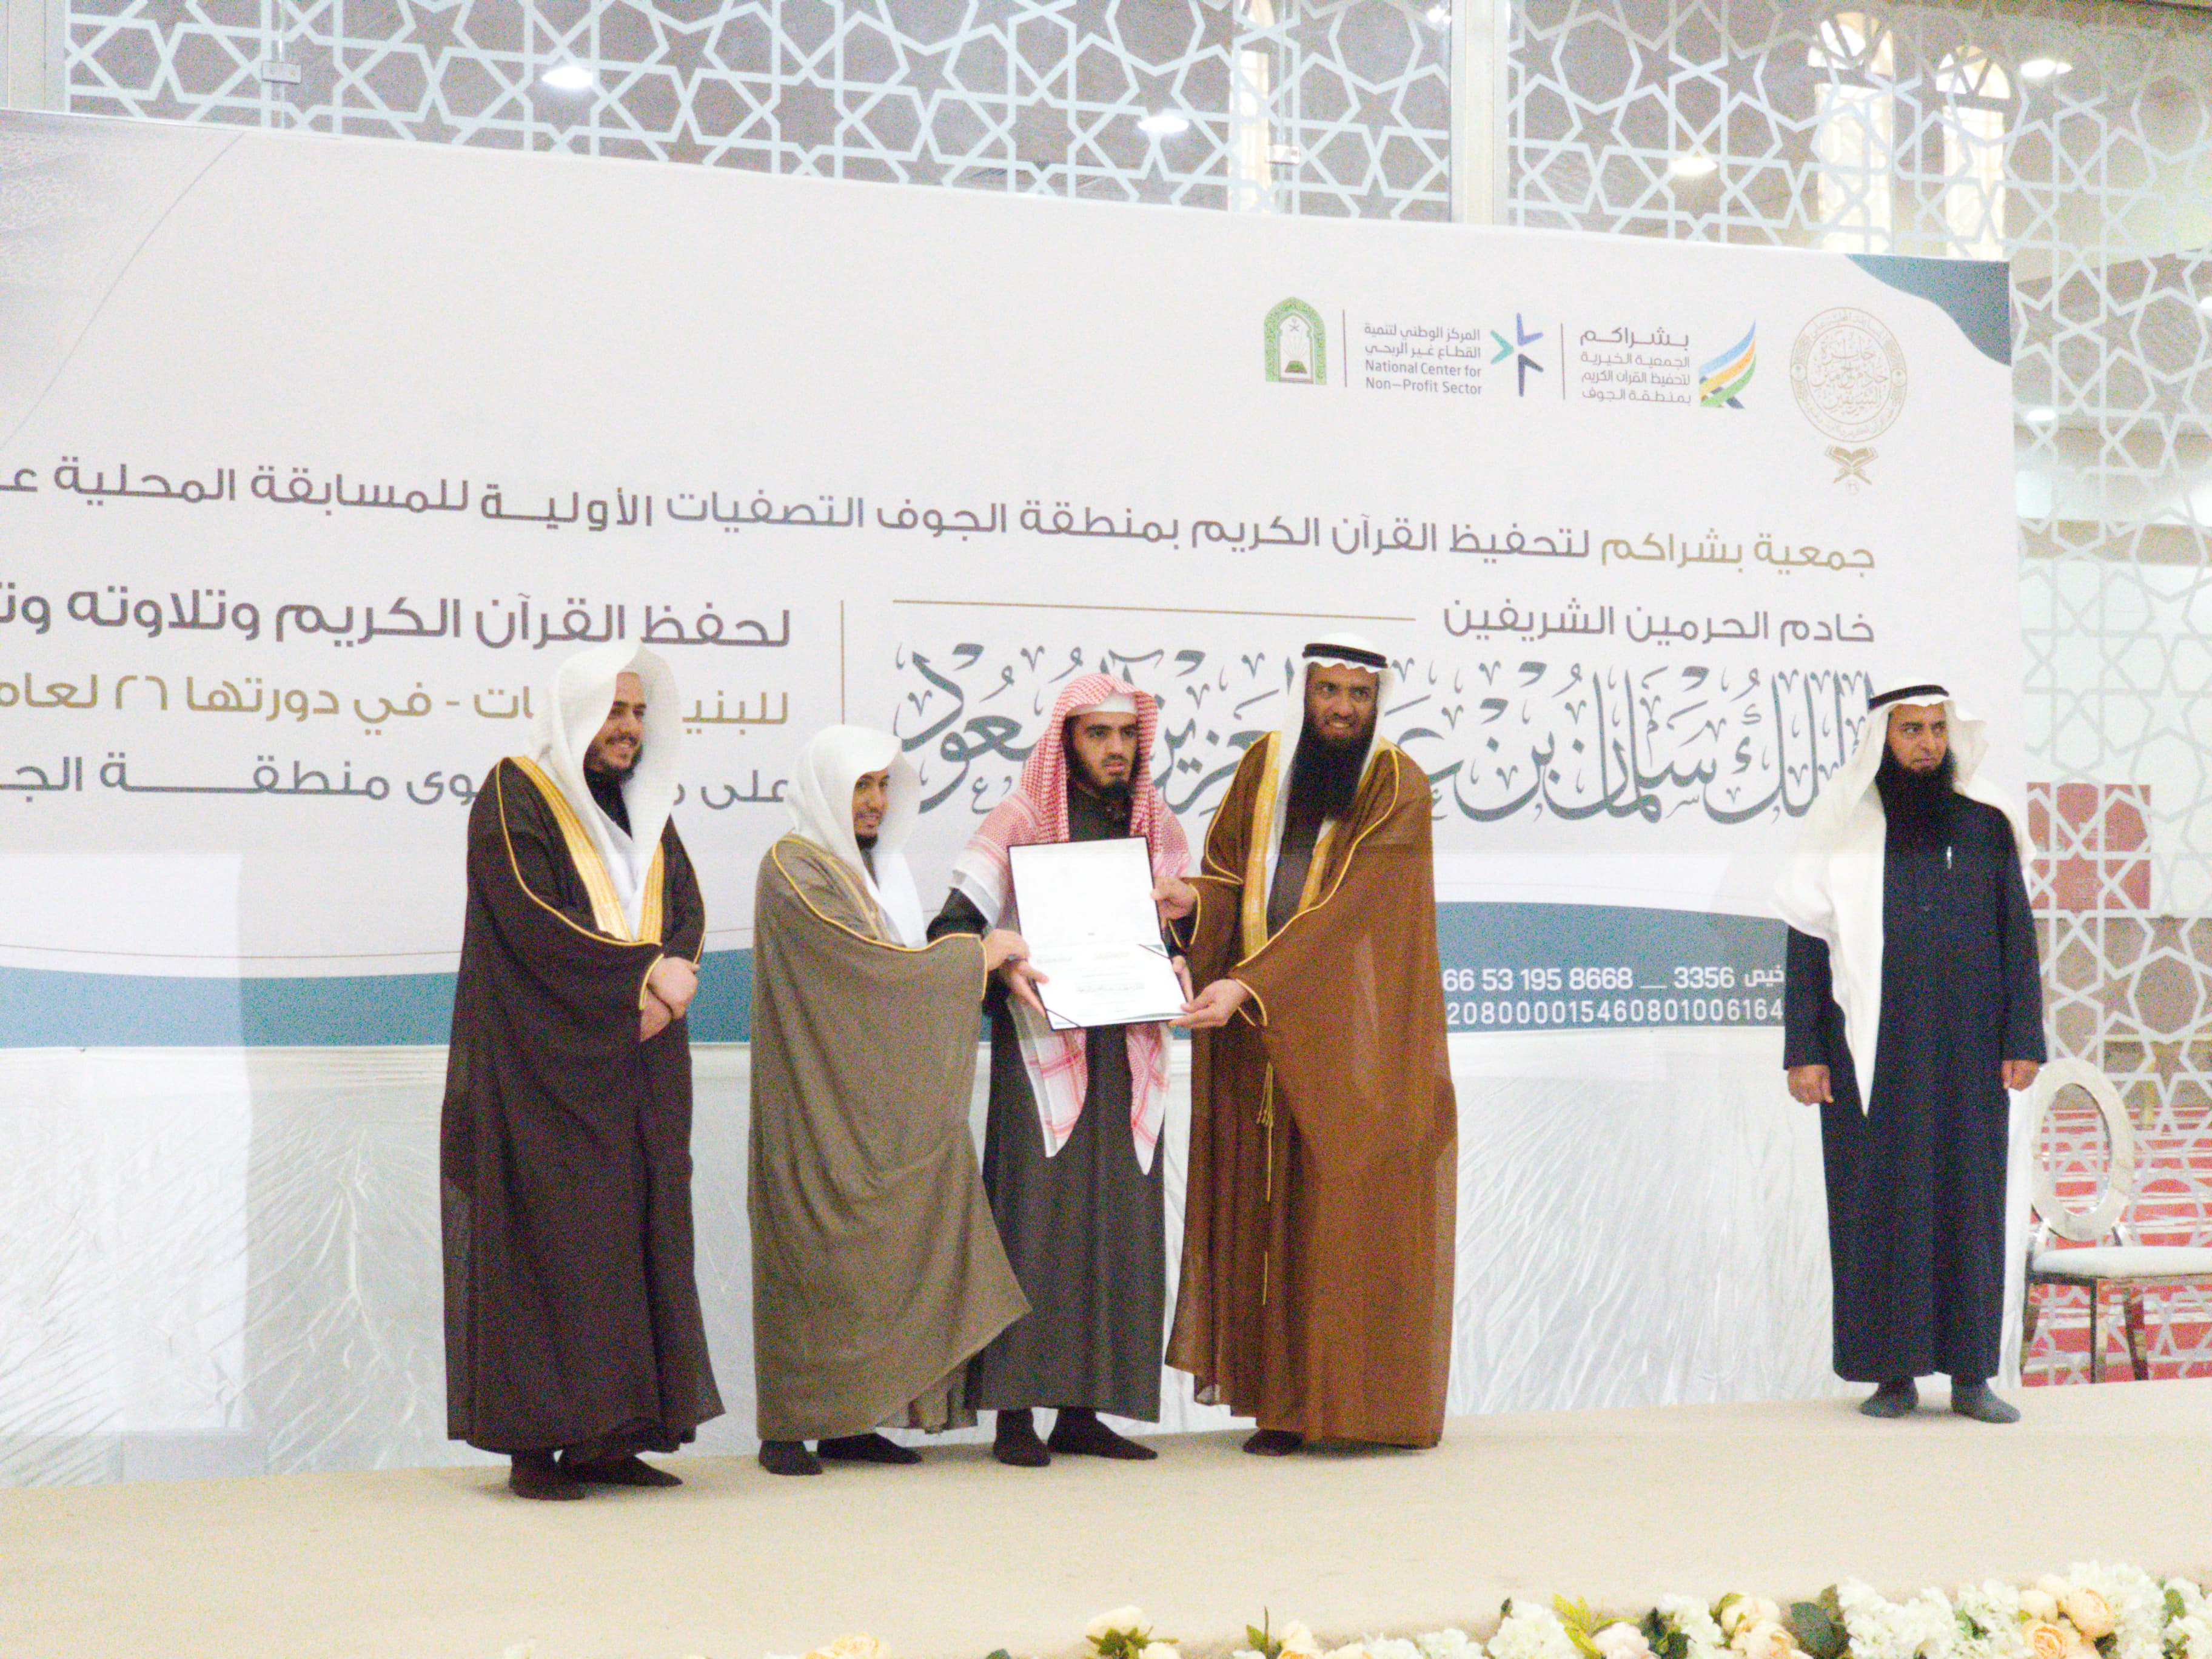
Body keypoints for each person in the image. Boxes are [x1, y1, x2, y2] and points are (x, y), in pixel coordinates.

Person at [440, 640, 723, 1500]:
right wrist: (637, 979)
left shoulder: (645, 806)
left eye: (638, 713)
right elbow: (528, 912)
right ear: (576, 715)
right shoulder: (516, 792)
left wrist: (668, 986)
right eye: (613, 711)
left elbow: (684, 908)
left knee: (635, 1239)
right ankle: (535, 1448)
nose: (628, 728)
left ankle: (613, 1437)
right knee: (551, 1246)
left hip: (641, 1066)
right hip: (545, 1067)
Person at [1170, 634, 1456, 1454]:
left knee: (1335, 1227)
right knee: (1270, 1221)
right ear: (1304, 692)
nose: (1342, 709)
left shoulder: (1397, 784)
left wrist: (1252, 984)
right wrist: (1192, 904)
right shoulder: (1265, 766)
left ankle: (1353, 1409)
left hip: (1352, 1049)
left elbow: (1351, 911)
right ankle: (1283, 1407)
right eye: (1329, 691)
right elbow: (1231, 874)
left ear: (1378, 702)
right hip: (1259, 1042)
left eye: (1359, 696)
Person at [747, 725, 1034, 1477]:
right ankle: (788, 1430)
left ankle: (853, 1422)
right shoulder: (792, 868)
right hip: (813, 1109)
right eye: (860, 786)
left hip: (875, 1106)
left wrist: (965, 962)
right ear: (827, 789)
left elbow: (896, 974)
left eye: (883, 786)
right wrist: (976, 955)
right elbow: (862, 967)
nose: (874, 802)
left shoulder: (885, 873)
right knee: (812, 1259)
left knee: (879, 1264)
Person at [928, 674, 1193, 1467]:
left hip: (1128, 1054)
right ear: (1066, 742)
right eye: (1097, 734)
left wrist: (1182, 944)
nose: (1116, 749)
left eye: (1126, 735)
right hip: (1043, 1052)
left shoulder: (1157, 825)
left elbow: (1181, 934)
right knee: (1034, 1228)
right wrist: (1000, 959)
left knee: (1118, 1230)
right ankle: (1014, 1415)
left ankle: (1085, 1411)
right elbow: (952, 929)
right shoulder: (1021, 818)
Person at [1775, 675, 2045, 1424]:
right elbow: (1808, 943)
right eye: (1911, 730)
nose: (1928, 744)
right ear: (1882, 739)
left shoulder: (1986, 820)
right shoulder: (1841, 822)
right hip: (1869, 1052)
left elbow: (2017, 933)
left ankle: (1971, 1376)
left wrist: (2024, 1035)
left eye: (1936, 728)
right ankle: (1890, 1374)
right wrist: (1804, 1048)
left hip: (1969, 1050)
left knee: (1970, 1203)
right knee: (1878, 1205)